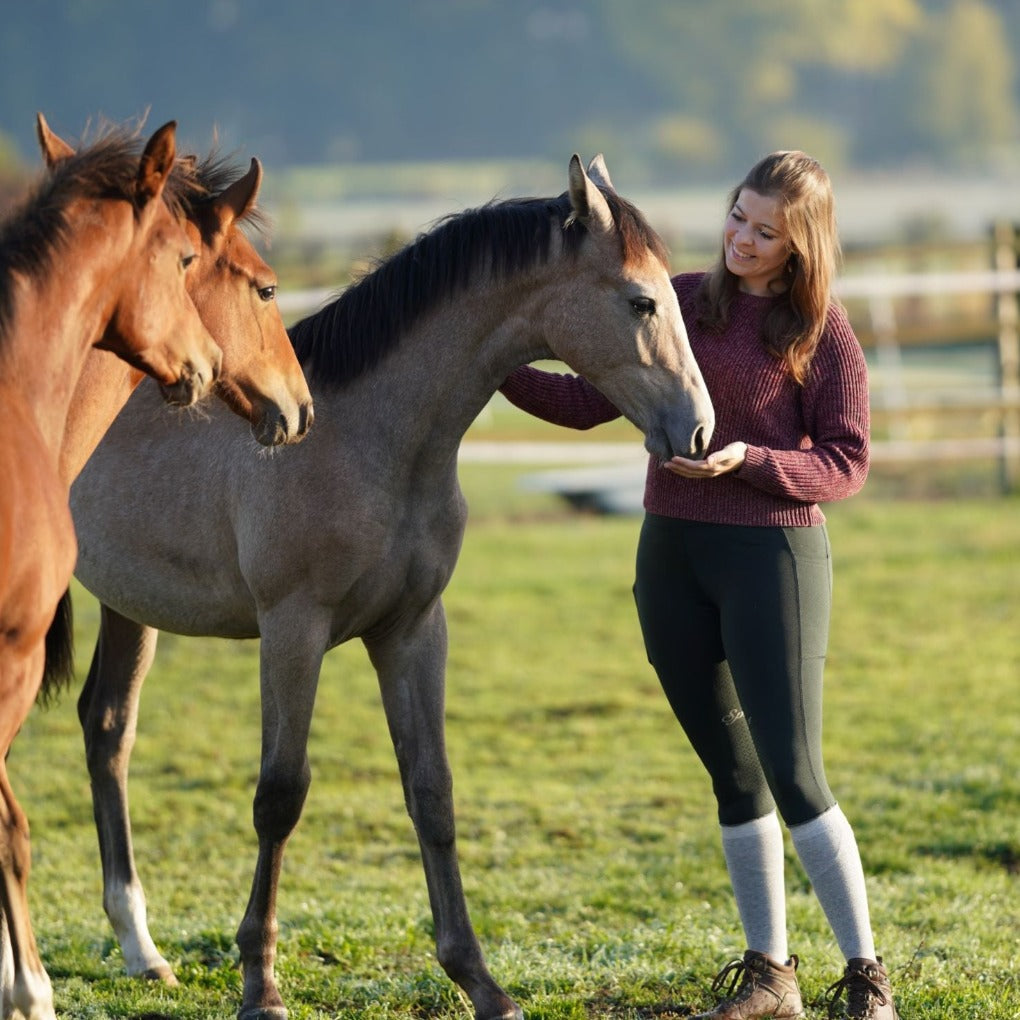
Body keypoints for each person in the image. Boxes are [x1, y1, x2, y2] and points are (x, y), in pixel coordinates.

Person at [499, 151, 898, 1020]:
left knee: (795, 773)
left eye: (766, 231)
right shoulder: (677, 301)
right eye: (737, 217)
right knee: (733, 775)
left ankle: (867, 978)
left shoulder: (820, 332)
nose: (742, 240)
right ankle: (770, 977)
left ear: (801, 245)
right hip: (671, 556)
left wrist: (748, 460)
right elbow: (584, 402)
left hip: (773, 562)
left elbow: (847, 460)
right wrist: (484, 355)